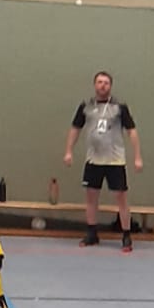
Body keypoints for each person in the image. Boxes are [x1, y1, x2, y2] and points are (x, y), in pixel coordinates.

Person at [62, 70, 143, 251]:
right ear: (94, 85)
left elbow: (132, 131)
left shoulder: (119, 107)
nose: (102, 85)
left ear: (110, 86)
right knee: (91, 197)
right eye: (99, 82)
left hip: (115, 161)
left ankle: (126, 234)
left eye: (106, 83)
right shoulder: (86, 106)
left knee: (121, 198)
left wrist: (137, 156)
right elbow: (75, 128)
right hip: (93, 160)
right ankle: (92, 233)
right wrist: (68, 151)